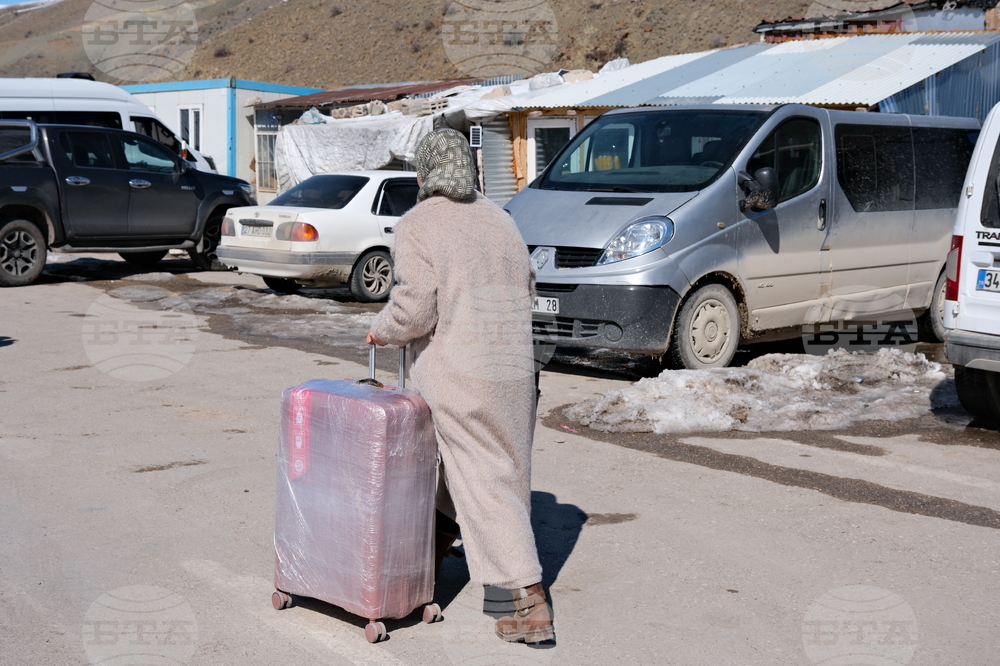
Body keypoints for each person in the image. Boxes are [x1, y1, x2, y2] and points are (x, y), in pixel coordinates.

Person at [366, 128, 554, 644]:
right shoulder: (500, 218)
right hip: (515, 371)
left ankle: (530, 602)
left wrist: (382, 330)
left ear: (423, 175)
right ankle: (422, 569)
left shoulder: (419, 223)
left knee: (485, 482)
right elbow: (528, 285)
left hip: (462, 375)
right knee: (493, 472)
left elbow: (416, 306)